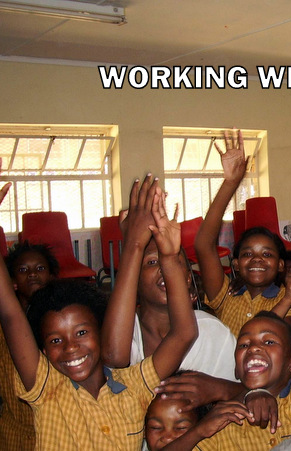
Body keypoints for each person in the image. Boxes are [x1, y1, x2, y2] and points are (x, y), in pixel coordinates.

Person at [0, 182, 198, 450]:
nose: (70, 347)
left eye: (81, 333)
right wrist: (135, 245)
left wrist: (170, 256)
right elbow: (10, 314)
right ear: (44, 352)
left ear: (102, 332)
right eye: (56, 341)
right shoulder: (47, 389)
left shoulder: (134, 386)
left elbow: (184, 333)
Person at [101, 175, 237, 382]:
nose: (164, 269)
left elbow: (244, 391)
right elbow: (113, 356)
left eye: (173, 261)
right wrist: (133, 244)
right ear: (134, 279)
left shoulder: (213, 333)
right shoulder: (122, 328)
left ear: (188, 279)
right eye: (152, 262)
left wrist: (219, 390)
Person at [195, 129, 291, 337]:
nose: (257, 259)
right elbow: (204, 245)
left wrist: (289, 298)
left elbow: (265, 335)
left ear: (280, 264)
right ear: (236, 264)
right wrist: (230, 183)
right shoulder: (226, 296)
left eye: (267, 254)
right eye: (247, 254)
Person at [157, 311, 291, 450]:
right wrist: (199, 432)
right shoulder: (226, 420)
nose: (253, 348)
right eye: (244, 345)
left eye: (269, 342)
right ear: (237, 370)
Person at [0, 241, 59, 450]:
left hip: (54, 430)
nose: (32, 274)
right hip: (13, 431)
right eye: (23, 270)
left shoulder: (63, 325)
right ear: (12, 282)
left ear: (51, 277)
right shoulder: (4, 330)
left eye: (40, 268)